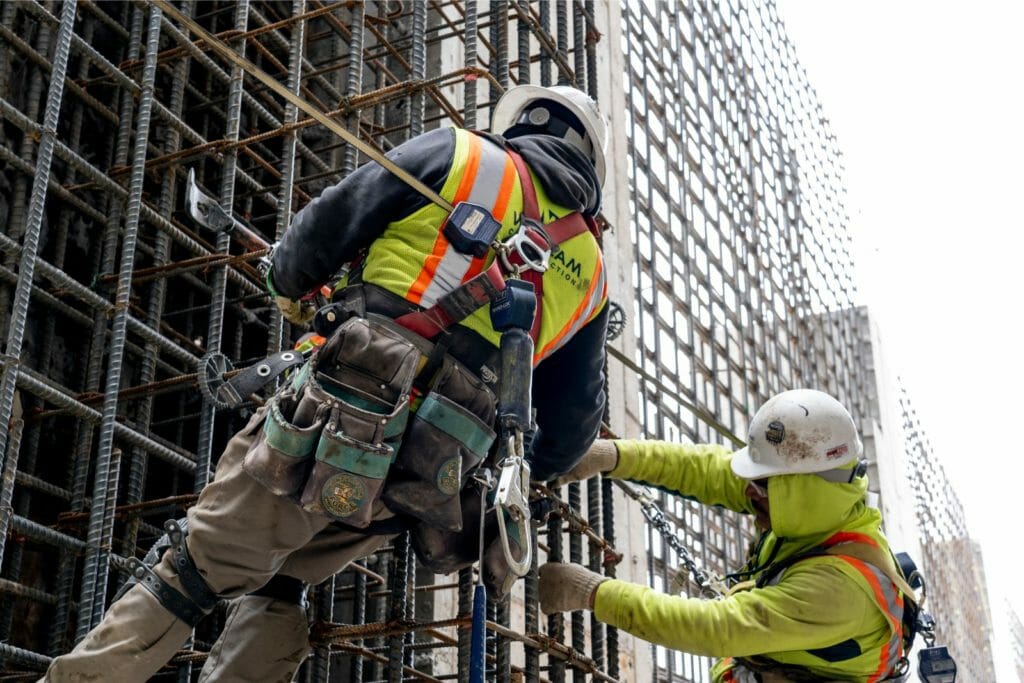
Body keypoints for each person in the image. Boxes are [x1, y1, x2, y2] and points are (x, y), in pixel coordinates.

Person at [42, 84, 610, 683]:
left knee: (196, 567)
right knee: (284, 581)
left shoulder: (465, 156)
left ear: (523, 123)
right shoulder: (592, 276)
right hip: (424, 477)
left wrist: (291, 290)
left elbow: (324, 228)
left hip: (335, 421)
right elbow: (570, 429)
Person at [538, 389, 913, 683]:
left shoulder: (841, 592)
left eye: (762, 485)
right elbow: (708, 471)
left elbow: (717, 627)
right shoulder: (814, 506)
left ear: (804, 486)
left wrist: (592, 592)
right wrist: (614, 456)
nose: (750, 493)